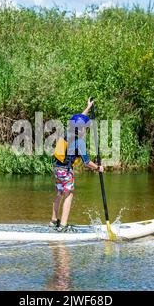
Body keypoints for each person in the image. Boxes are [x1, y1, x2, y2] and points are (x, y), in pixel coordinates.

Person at [50, 98, 104, 233]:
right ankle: (63, 225)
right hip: (66, 171)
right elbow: (87, 163)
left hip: (57, 168)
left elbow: (79, 119)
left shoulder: (67, 132)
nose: (86, 130)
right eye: (85, 128)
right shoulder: (79, 143)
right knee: (69, 195)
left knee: (59, 194)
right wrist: (98, 168)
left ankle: (53, 221)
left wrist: (88, 107)